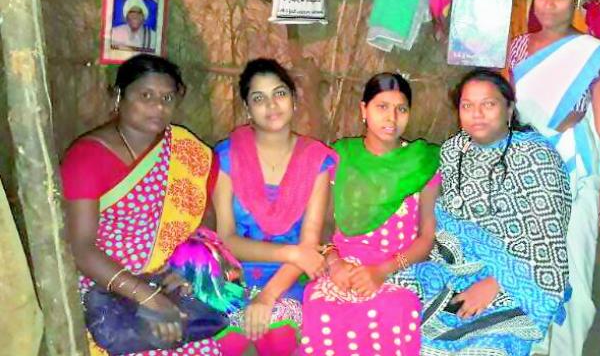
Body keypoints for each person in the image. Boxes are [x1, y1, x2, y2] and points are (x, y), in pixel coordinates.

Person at [61, 54, 223, 355]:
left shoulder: (186, 153)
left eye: (167, 97)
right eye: (146, 95)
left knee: (207, 327)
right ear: (120, 96)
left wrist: (187, 265)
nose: (159, 106)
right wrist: (147, 296)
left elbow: (204, 219)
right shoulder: (86, 158)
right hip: (108, 284)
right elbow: (80, 248)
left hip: (170, 276)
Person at [506, 0, 600, 354]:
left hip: (573, 174)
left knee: (571, 266)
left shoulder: (594, 55)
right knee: (522, 265)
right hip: (523, 171)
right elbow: (503, 113)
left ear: (575, 1)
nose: (549, 4)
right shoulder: (517, 48)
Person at [411, 69, 572, 355]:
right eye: (467, 105)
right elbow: (443, 219)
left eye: (489, 104)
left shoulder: (536, 158)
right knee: (390, 309)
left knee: (486, 349)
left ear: (509, 108)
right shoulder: (452, 151)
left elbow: (546, 242)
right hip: (450, 269)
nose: (477, 114)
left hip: (516, 281)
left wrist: (493, 283)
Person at [300, 73, 440, 356]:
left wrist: (381, 271)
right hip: (343, 265)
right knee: (320, 303)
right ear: (364, 110)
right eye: (382, 107)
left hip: (399, 267)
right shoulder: (340, 158)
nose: (392, 118)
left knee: (396, 307)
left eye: (401, 109)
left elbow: (427, 238)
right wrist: (335, 263)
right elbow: (323, 225)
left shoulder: (423, 164)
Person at [212, 58, 335, 355]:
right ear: (247, 108)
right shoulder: (227, 157)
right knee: (226, 341)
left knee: (277, 334)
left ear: (293, 99)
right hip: (234, 276)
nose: (271, 105)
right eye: (259, 98)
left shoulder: (315, 160)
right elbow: (226, 238)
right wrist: (291, 251)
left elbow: (309, 246)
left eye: (279, 93)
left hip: (288, 278)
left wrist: (267, 297)